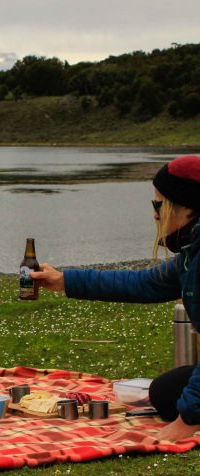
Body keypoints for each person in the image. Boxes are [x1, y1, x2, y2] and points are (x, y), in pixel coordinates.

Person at [31, 155, 200, 441]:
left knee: (181, 402)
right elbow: (146, 283)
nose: (155, 214)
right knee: (165, 393)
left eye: (159, 204)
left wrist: (188, 421)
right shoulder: (191, 251)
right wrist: (65, 281)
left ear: (188, 207)